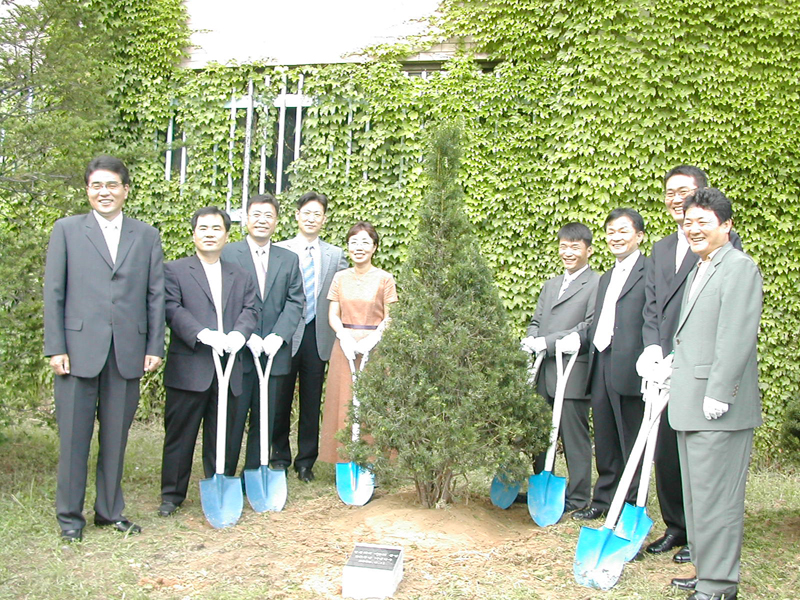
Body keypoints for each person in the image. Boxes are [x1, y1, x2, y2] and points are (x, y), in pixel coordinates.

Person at [44, 155, 165, 542]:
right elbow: (54, 292)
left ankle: (110, 512)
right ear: (87, 190)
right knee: (74, 440)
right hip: (76, 352)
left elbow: (155, 295)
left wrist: (154, 345)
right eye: (97, 185)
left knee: (115, 439)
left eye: (112, 185)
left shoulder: (146, 235)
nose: (104, 192)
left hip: (127, 352)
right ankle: (70, 518)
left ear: (125, 190)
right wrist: (55, 347)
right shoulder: (66, 230)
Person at [637, 165, 743, 563]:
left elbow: (723, 313)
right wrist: (652, 348)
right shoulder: (662, 248)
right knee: (665, 449)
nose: (675, 199)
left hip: (696, 364)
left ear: (701, 194)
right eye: (669, 192)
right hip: (663, 365)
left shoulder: (723, 245)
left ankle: (702, 535)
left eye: (683, 191)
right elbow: (652, 305)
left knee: (697, 457)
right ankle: (676, 526)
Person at [666, 188, 761, 600]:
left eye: (703, 221)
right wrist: (671, 364)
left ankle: (720, 585)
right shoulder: (700, 268)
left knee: (718, 499)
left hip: (718, 406)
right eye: (689, 222)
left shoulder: (739, 267)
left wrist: (720, 391)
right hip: (689, 402)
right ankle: (707, 572)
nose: (693, 229)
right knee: (697, 498)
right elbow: (696, 334)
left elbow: (737, 333)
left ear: (726, 225)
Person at [159, 207, 258, 517]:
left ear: (227, 236)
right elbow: (172, 309)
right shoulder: (174, 270)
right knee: (180, 435)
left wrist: (239, 334)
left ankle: (219, 487)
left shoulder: (240, 275)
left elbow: (251, 309)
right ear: (193, 234)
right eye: (203, 228)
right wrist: (202, 334)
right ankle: (172, 495)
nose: (210, 234)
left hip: (229, 368)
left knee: (224, 435)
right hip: (190, 367)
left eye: (217, 228)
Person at [565, 208, 649, 521]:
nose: (616, 237)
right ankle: (603, 500)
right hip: (600, 362)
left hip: (631, 367)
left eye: (623, 231)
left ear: (639, 236)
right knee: (605, 437)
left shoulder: (650, 272)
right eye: (611, 231)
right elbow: (600, 322)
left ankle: (630, 504)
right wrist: (579, 338)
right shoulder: (607, 277)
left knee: (630, 439)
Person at [221, 194, 304, 477]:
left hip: (273, 353)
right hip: (238, 351)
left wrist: (278, 336)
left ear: (276, 221)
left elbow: (295, 301)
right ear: (246, 218)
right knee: (233, 417)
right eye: (256, 214)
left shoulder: (289, 259)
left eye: (268, 215)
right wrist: (246, 334)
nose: (262, 220)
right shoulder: (228, 253)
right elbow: (223, 299)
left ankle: (254, 474)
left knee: (265, 416)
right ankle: (226, 472)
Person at [521, 222, 599, 512]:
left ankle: (578, 497)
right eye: (564, 246)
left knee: (573, 436)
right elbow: (536, 320)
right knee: (540, 433)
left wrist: (548, 342)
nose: (568, 252)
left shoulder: (596, 284)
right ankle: (542, 488)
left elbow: (588, 326)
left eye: (575, 247)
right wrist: (532, 339)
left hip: (572, 371)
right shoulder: (551, 285)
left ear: (588, 250)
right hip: (544, 370)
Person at [274, 192, 348, 482]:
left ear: (324, 219)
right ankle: (278, 457)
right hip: (285, 334)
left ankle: (305, 462)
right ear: (297, 215)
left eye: (317, 214)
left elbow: (342, 294)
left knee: (311, 401)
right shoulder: (280, 250)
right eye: (306, 212)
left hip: (318, 336)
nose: (311, 218)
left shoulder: (335, 255)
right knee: (279, 399)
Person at [319, 222, 397, 464]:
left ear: (374, 247)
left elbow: (391, 316)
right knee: (344, 399)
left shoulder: (384, 279)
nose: (359, 247)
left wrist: (374, 338)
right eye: (353, 242)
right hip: (345, 349)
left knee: (372, 401)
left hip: (374, 349)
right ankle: (343, 457)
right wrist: (343, 335)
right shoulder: (340, 278)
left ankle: (373, 459)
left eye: (365, 242)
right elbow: (333, 314)